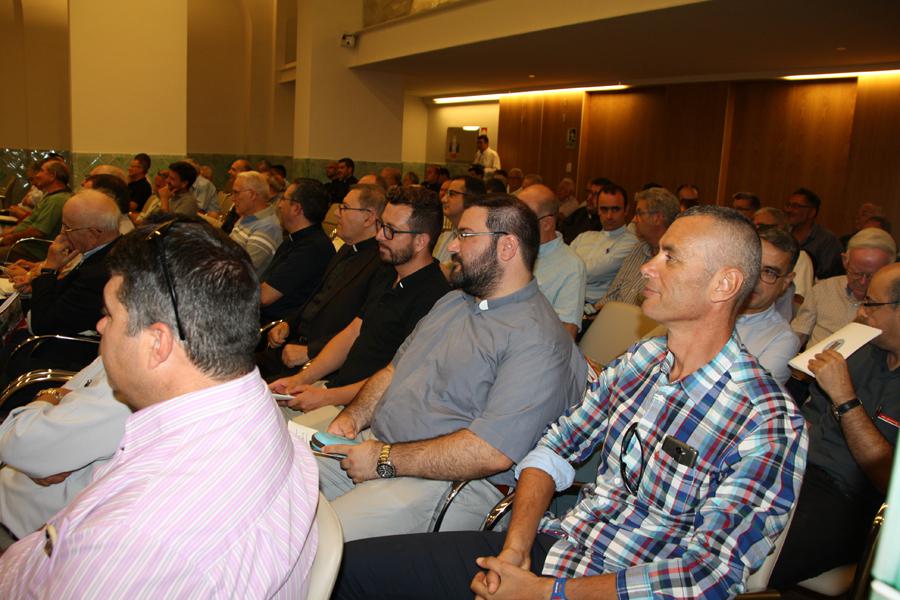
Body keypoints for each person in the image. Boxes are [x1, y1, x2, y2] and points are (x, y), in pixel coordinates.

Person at [332, 205, 807, 600]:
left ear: (724, 284)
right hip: (556, 549)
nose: (647, 265)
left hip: (618, 586)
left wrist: (545, 593)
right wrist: (515, 551)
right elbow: (553, 448)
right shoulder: (643, 361)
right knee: (348, 570)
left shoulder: (766, 418)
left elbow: (705, 576)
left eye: (671, 257)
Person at [0, 218, 319, 597]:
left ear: (158, 343)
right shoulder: (254, 410)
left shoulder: (130, 536)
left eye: (111, 315)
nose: (101, 327)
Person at [308, 195, 587, 542]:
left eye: (465, 236)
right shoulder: (454, 301)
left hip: (451, 482)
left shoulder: (538, 340)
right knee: (270, 489)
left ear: (507, 247)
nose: (452, 246)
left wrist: (384, 458)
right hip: (378, 448)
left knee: (315, 542)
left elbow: (490, 452)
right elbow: (395, 370)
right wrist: (354, 416)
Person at [771, 262, 900, 588]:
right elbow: (812, 411)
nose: (861, 312)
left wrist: (845, 398)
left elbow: (888, 480)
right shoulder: (865, 347)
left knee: (747, 558)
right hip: (798, 469)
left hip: (848, 500)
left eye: (871, 303)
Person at [269, 187, 450, 411]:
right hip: (337, 390)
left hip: (369, 409)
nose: (379, 236)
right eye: (382, 225)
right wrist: (302, 379)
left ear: (421, 241)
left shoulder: (435, 298)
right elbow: (353, 332)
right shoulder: (389, 273)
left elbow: (396, 378)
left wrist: (326, 397)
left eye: (391, 230)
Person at [259, 184, 389, 380]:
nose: (337, 214)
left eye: (344, 208)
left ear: (368, 217)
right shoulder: (346, 249)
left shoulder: (381, 264)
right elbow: (314, 299)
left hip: (320, 362)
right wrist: (288, 323)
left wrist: (310, 351)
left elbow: (360, 328)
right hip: (293, 344)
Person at [0, 357, 130, 544]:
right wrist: (54, 395)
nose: (100, 326)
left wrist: (49, 396)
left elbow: (17, 444)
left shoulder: (126, 384)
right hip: (12, 493)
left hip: (19, 534)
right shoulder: (113, 355)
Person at [28, 190, 121, 336]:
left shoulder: (97, 275)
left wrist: (49, 269)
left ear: (92, 234)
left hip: (63, 350)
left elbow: (42, 325)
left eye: (67, 227)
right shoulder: (114, 249)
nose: (61, 233)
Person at [792, 227, 896, 347]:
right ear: (845, 261)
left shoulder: (893, 305)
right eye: (856, 273)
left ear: (889, 270)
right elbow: (797, 335)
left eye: (872, 276)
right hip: (813, 362)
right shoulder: (823, 290)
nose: (862, 282)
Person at [259, 178, 335, 323]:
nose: (279, 205)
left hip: (276, 327)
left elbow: (264, 297)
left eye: (283, 199)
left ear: (296, 208)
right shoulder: (295, 239)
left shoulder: (311, 249)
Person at [518, 184, 587, 338]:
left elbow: (566, 334)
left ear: (547, 224)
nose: (514, 224)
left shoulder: (571, 266)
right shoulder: (510, 249)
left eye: (523, 218)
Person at [594, 186, 679, 309]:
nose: (634, 220)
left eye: (639, 213)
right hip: (610, 319)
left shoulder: (674, 261)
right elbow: (611, 294)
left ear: (657, 218)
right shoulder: (638, 248)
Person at [736, 225, 802, 385]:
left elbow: (745, 398)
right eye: (752, 264)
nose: (754, 279)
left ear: (786, 282)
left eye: (769, 272)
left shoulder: (782, 340)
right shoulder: (707, 304)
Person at [570, 183, 639, 307]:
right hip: (567, 300)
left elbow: (589, 272)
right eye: (604, 209)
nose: (609, 216)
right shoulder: (584, 237)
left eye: (615, 209)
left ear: (626, 210)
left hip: (593, 307)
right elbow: (562, 265)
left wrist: (568, 270)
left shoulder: (631, 243)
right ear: (598, 209)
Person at [0, 158, 71, 261]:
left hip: (32, 251)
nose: (37, 175)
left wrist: (12, 237)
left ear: (52, 176)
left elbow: (38, 232)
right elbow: (32, 222)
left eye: (42, 171)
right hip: (23, 245)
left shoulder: (57, 200)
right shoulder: (50, 196)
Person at [229, 170, 283, 275]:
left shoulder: (268, 227)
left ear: (252, 195)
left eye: (236, 192)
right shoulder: (247, 217)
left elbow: (243, 271)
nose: (232, 198)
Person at [785, 187, 844, 279]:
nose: (789, 210)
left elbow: (828, 277)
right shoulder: (783, 235)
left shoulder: (827, 241)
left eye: (796, 206)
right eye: (788, 205)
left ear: (812, 212)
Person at [432, 175, 486, 267]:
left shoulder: (480, 240)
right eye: (445, 194)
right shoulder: (445, 236)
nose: (444, 199)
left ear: (471, 198)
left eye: (452, 194)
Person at [558, 177, 608, 244]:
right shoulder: (580, 212)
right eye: (589, 193)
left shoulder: (607, 222)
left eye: (595, 194)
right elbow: (563, 230)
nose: (589, 198)